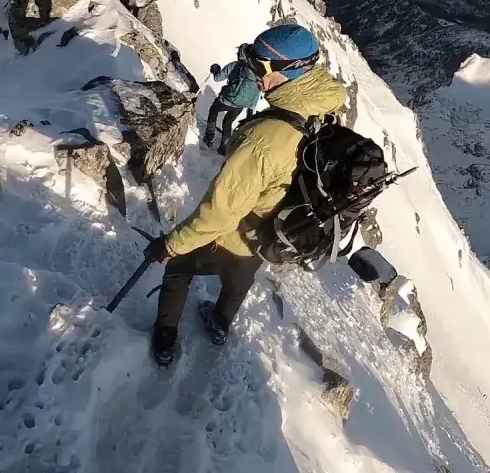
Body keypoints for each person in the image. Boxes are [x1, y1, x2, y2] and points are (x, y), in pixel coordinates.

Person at [143, 23, 345, 366]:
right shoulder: (323, 104)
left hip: (236, 233)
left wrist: (172, 245)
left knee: (178, 268)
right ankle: (219, 324)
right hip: (272, 231)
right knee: (239, 281)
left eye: (260, 66)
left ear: (288, 69)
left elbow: (220, 213)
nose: (254, 74)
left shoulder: (264, 140)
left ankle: (165, 338)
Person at [203, 54, 262, 154]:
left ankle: (209, 136)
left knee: (214, 110)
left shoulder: (235, 65)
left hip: (227, 99)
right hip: (242, 104)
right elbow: (258, 91)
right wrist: (251, 108)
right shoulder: (259, 73)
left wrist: (215, 69)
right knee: (228, 121)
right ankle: (224, 146)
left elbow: (218, 78)